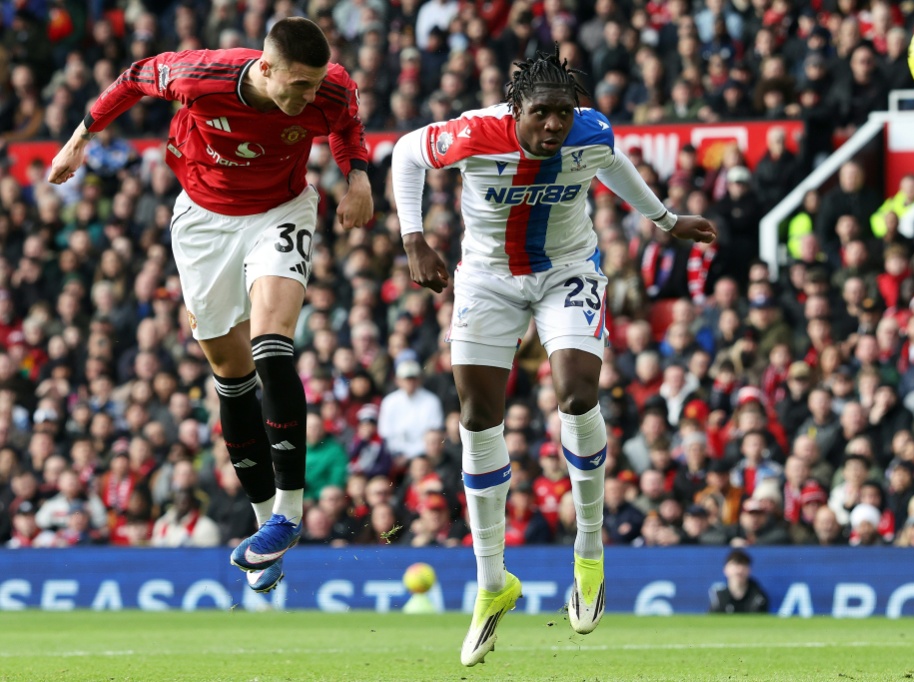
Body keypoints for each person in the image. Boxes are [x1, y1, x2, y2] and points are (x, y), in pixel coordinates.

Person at [391, 46, 715, 665]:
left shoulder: (589, 133)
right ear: (517, 108)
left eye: (563, 114)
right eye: (541, 113)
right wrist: (414, 238)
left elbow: (612, 163)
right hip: (486, 277)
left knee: (575, 392)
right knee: (478, 416)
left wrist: (666, 220)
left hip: (568, 271)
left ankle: (588, 553)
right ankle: (493, 585)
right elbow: (406, 151)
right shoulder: (473, 134)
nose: (553, 127)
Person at [47, 17, 373, 593]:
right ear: (266, 68)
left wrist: (358, 177)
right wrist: (80, 137)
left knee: (272, 342)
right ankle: (262, 527)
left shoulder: (330, 87)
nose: (306, 97)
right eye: (296, 84)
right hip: (204, 221)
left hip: (282, 210)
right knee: (231, 372)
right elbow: (131, 78)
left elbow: (346, 126)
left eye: (314, 83)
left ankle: (289, 515)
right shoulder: (200, 75)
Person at [708, 548, 769, 613]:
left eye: (743, 565)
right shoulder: (719, 598)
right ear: (725, 569)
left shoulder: (758, 598)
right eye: (735, 564)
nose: (739, 570)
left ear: (749, 570)